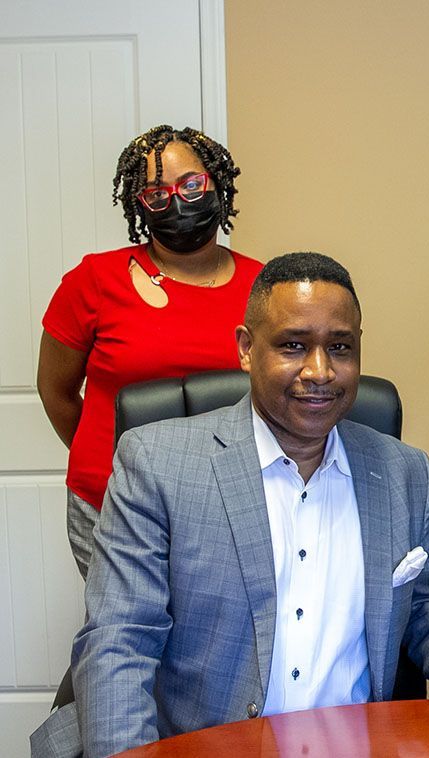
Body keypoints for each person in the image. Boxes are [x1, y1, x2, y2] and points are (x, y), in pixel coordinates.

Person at [31, 253, 429, 757]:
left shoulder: (404, 472)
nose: (320, 371)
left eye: (340, 348)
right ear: (246, 349)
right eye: (293, 346)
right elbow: (118, 642)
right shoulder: (157, 465)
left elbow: (427, 604)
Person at [36, 124, 263, 579]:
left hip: (228, 502)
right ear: (140, 206)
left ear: (217, 183)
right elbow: (56, 391)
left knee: (218, 642)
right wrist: (112, 455)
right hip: (111, 500)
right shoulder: (94, 280)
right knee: (126, 637)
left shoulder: (265, 288)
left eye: (192, 184)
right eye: (157, 195)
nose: (177, 202)